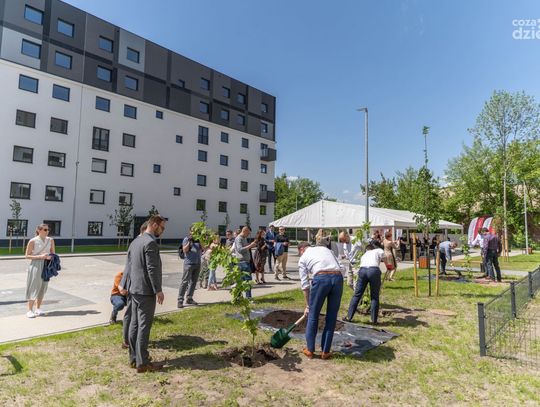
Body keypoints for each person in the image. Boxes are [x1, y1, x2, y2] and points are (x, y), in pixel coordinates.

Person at [125, 215, 166, 373]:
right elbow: (152, 269)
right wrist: (158, 290)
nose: (162, 231)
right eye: (162, 228)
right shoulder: (150, 242)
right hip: (145, 291)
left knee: (134, 324)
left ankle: (134, 359)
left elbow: (130, 266)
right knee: (143, 326)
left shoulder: (136, 241)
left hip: (134, 289)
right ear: (154, 225)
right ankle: (143, 362)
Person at [298, 241, 343, 360]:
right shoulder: (327, 250)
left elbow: (305, 285)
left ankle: (310, 350)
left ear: (301, 249)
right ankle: (325, 351)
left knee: (313, 315)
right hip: (338, 278)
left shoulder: (303, 257)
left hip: (321, 278)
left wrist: (308, 305)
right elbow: (341, 266)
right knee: (332, 316)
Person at [344, 243, 386, 325]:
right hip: (374, 271)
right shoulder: (377, 250)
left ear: (366, 250)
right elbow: (384, 257)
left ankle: (349, 317)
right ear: (373, 248)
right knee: (374, 296)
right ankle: (373, 320)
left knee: (357, 295)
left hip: (362, 271)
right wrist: (388, 265)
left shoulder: (364, 255)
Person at [25, 224, 55, 318]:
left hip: (46, 265)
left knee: (43, 286)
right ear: (39, 230)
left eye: (48, 230)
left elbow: (53, 253)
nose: (47, 231)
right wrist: (41, 256)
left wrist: (51, 257)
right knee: (34, 286)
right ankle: (30, 310)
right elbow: (27, 255)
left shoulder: (50, 240)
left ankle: (38, 308)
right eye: (45, 230)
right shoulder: (33, 241)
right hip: (36, 265)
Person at [178, 224, 204, 308]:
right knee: (185, 282)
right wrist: (190, 241)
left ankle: (189, 298)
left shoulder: (198, 239)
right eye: (193, 230)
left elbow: (203, 248)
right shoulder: (186, 239)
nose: (194, 232)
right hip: (188, 264)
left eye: (196, 231)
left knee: (193, 282)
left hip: (197, 263)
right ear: (190, 231)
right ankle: (180, 300)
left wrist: (200, 240)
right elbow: (185, 250)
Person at [232, 226, 257, 298]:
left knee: (242, 281)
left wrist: (250, 245)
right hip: (242, 263)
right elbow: (240, 250)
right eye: (248, 233)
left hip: (245, 262)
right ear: (245, 230)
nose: (248, 235)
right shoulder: (239, 238)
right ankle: (248, 298)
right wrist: (250, 246)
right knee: (247, 281)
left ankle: (239, 297)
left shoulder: (244, 238)